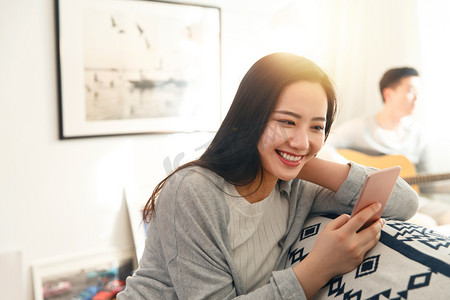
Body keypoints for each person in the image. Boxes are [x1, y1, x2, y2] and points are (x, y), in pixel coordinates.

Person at [117, 53, 418, 299]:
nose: (302, 139)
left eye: (316, 127)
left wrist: (304, 160)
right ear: (251, 119)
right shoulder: (195, 190)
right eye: (287, 122)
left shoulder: (296, 186)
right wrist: (317, 269)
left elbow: (404, 203)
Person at [322, 67, 450, 226]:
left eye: (419, 92)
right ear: (388, 94)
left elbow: (428, 185)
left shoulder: (419, 134)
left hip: (413, 198)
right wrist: (359, 177)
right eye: (411, 91)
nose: (417, 98)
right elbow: (323, 146)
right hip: (376, 203)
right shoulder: (360, 128)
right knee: (427, 223)